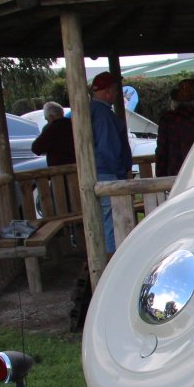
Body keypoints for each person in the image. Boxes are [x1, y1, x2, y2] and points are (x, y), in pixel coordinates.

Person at [89, 71, 132, 253]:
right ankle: (112, 260)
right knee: (113, 221)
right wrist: (121, 171)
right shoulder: (103, 114)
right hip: (109, 173)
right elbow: (108, 147)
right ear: (107, 91)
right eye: (115, 90)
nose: (116, 95)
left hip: (102, 171)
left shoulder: (94, 110)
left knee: (107, 219)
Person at [155, 78, 194, 176]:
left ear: (175, 101)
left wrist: (161, 177)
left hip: (175, 177)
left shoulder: (167, 120)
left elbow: (162, 152)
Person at [30, 101, 76, 166]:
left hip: (59, 170)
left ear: (51, 117)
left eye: (47, 119)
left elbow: (35, 148)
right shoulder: (73, 124)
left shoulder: (51, 128)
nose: (47, 121)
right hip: (77, 167)